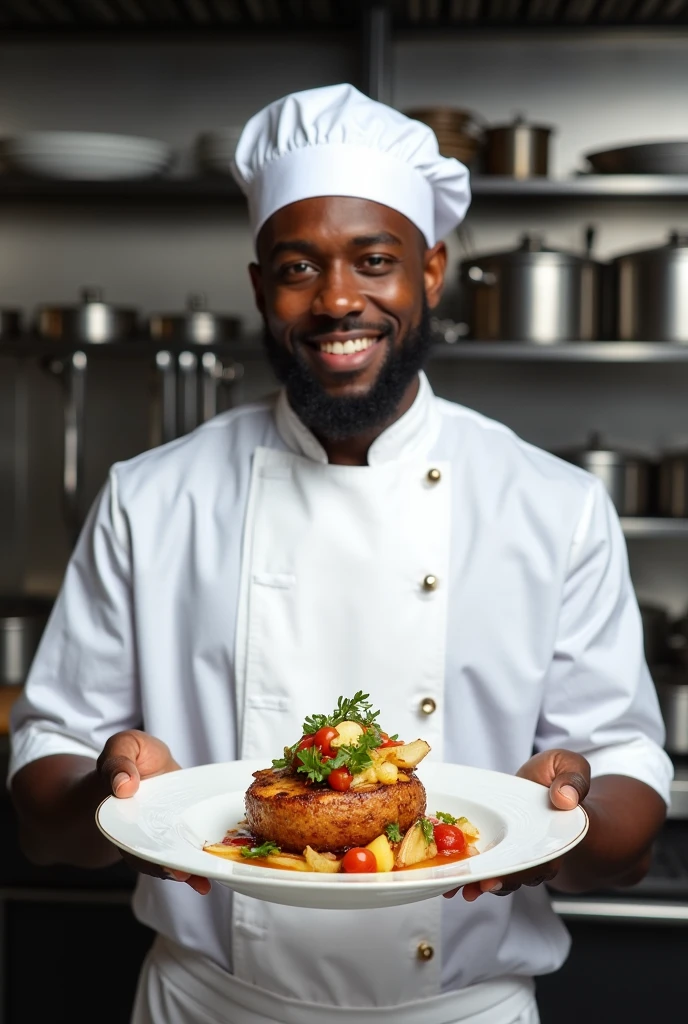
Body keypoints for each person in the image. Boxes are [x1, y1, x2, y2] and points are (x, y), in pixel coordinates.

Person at [9, 84, 671, 1024]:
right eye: (297, 267)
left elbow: (625, 794)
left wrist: (565, 817)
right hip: (209, 1004)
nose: (337, 300)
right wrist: (104, 786)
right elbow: (46, 802)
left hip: (462, 1011)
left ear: (431, 271)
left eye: (375, 261)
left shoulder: (551, 503)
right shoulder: (152, 497)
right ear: (257, 287)